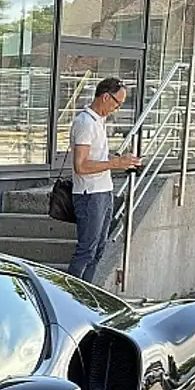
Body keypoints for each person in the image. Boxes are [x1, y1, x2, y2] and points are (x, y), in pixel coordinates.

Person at [67, 77, 140, 283]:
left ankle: (85, 293)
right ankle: (70, 295)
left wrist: (120, 161)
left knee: (98, 249)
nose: (118, 108)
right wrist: (115, 164)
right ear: (106, 97)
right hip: (89, 194)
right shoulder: (85, 123)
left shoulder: (98, 121)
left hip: (103, 190)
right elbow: (81, 166)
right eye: (118, 103)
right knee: (87, 250)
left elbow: (97, 158)